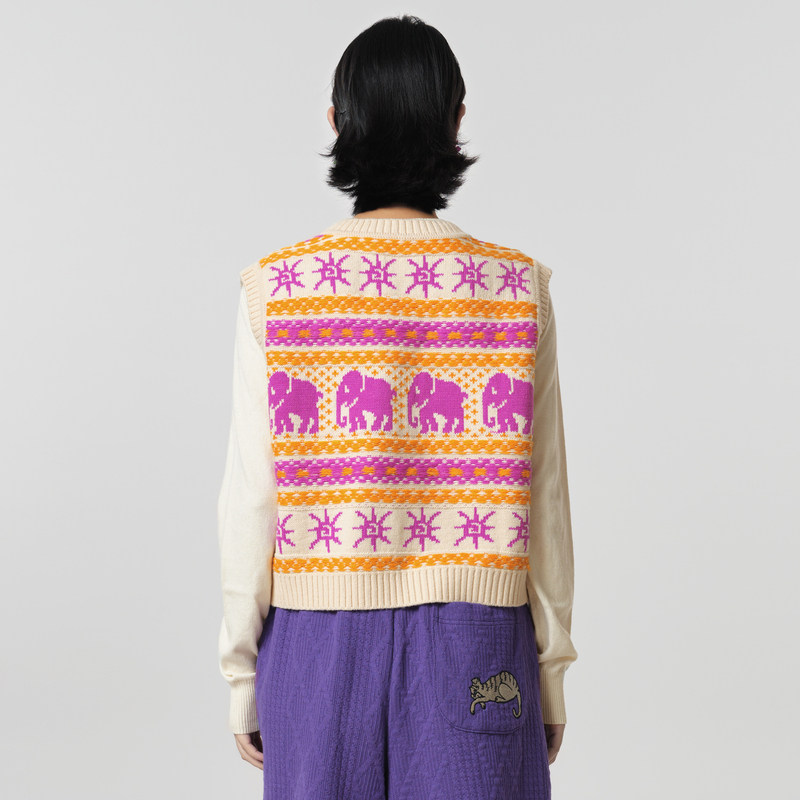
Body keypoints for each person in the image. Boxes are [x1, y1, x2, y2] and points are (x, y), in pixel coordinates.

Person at [216, 14, 578, 799]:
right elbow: (545, 498)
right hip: (479, 643)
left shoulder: (277, 290)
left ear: (338, 121)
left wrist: (242, 675)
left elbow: (252, 499)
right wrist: (549, 673)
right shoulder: (518, 290)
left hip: (315, 648)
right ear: (455, 120)